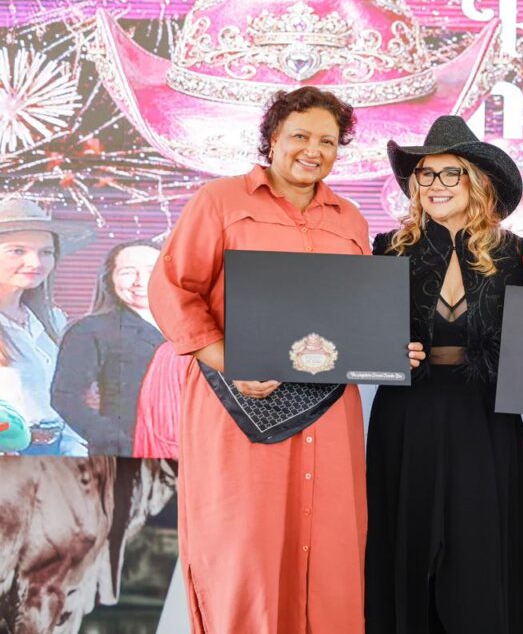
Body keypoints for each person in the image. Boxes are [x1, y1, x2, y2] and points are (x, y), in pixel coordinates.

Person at [148, 86, 420, 633]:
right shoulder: (220, 201)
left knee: (332, 551)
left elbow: (350, 314)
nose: (312, 150)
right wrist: (229, 359)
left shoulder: (349, 219)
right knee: (244, 549)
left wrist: (389, 345)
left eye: (327, 140)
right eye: (299, 136)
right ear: (272, 139)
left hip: (329, 410)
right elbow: (173, 289)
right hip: (237, 403)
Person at [365, 116, 523, 634]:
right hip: (406, 416)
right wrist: (382, 347)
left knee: (480, 545)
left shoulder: (517, 255)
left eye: (449, 174)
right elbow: (354, 330)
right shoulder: (386, 248)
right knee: (407, 544)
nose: (434, 185)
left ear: (476, 182)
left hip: (484, 416)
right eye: (425, 175)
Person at [51, 240, 163, 456]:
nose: (140, 281)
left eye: (152, 270)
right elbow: (65, 398)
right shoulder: (91, 330)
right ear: (109, 279)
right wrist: (117, 442)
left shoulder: (192, 328)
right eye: (128, 272)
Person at [0, 198, 92, 456]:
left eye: (46, 252)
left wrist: (76, 451)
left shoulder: (53, 321)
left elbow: (67, 400)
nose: (36, 263)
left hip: (58, 452)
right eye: (17, 251)